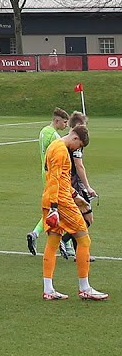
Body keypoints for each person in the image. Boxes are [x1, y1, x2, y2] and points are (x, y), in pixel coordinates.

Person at [40, 124, 107, 300]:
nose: (78, 149)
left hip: (51, 197)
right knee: (84, 239)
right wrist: (55, 207)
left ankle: (48, 289)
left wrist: (76, 195)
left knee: (53, 241)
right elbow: (55, 179)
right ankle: (85, 287)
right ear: (76, 138)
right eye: (80, 146)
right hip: (60, 201)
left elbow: (59, 179)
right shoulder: (61, 151)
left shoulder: (54, 146)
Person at [27, 108, 69, 255]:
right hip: (54, 175)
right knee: (60, 208)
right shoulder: (55, 136)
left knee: (54, 208)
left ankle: (35, 234)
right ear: (57, 121)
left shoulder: (43, 131)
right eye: (64, 122)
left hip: (45, 174)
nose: (66, 125)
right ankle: (65, 244)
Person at [60, 111, 98, 260]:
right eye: (84, 125)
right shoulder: (74, 144)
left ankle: (78, 253)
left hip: (69, 184)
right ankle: (65, 241)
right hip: (73, 184)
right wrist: (87, 187)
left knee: (81, 217)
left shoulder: (66, 142)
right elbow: (79, 166)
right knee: (86, 218)